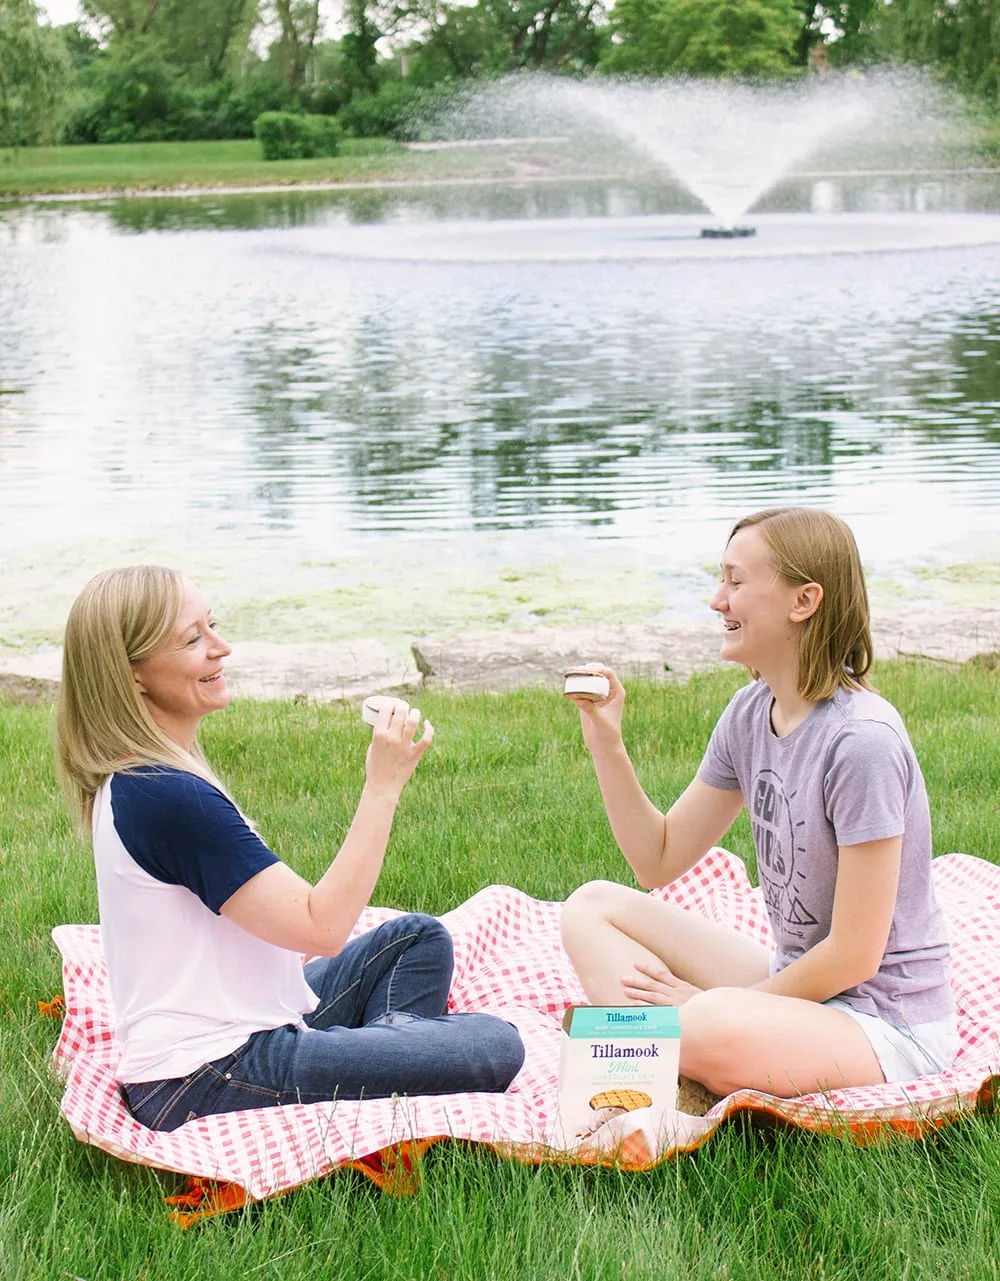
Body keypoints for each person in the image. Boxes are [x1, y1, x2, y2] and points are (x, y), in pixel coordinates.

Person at [55, 565, 524, 1132]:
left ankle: (380, 1060)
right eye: (192, 639)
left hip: (253, 1021)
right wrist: (382, 788)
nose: (221, 648)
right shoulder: (167, 796)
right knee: (495, 1045)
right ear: (132, 676)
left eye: (214, 626)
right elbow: (321, 926)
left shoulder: (151, 776)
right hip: (205, 1073)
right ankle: (386, 1062)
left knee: (417, 938)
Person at [561, 508, 957, 1099]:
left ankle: (652, 1053)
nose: (718, 600)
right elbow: (658, 859)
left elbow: (854, 956)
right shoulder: (749, 714)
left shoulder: (862, 741)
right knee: (590, 908)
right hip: (790, 987)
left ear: (804, 601)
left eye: (736, 581)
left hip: (883, 1023)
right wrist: (607, 742)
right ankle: (668, 1054)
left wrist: (720, 1003)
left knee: (706, 1021)